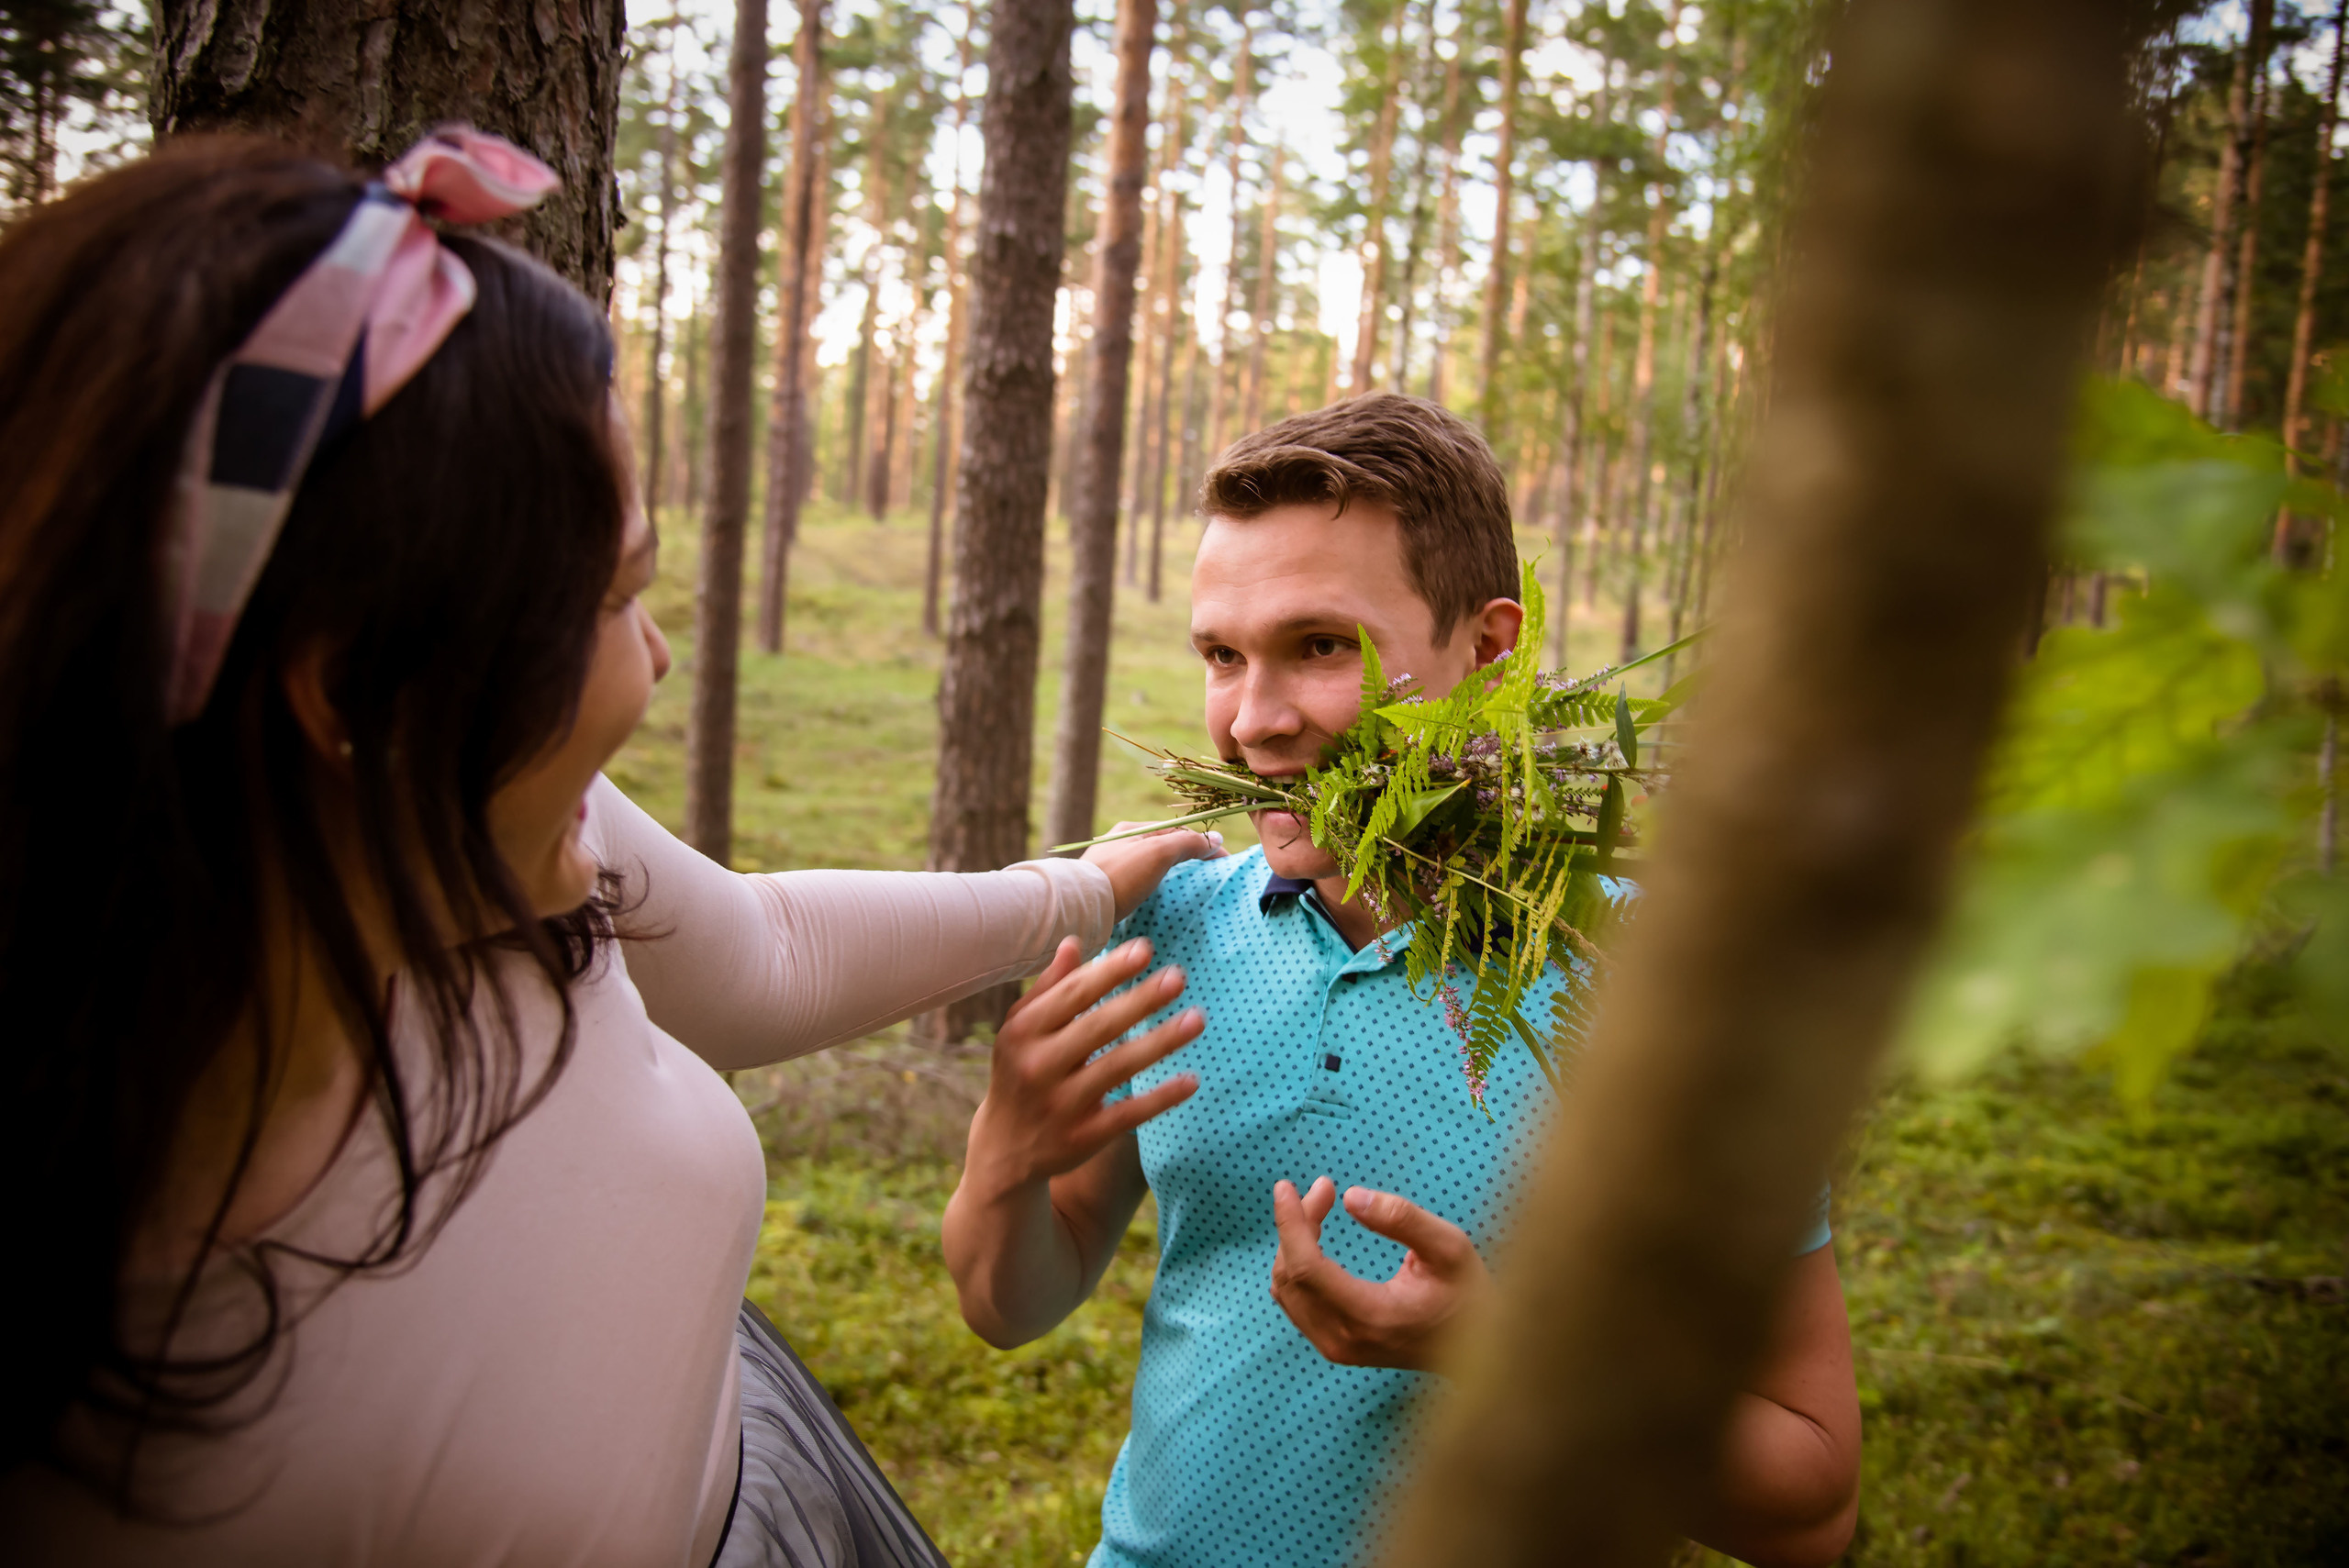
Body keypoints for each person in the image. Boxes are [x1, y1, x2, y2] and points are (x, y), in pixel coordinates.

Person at [0, 133, 1216, 1567]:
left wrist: (1084, 882)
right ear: (353, 692)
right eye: (615, 596)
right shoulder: (96, 1394)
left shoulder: (487, 826)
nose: (655, 655)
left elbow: (763, 953)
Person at [941, 394, 1863, 1568]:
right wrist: (1004, 1159)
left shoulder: (1670, 992)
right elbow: (1010, 1298)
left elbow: (1811, 1495)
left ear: (1487, 650)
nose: (1252, 722)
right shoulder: (1172, 926)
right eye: (1222, 656)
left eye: (1321, 646)